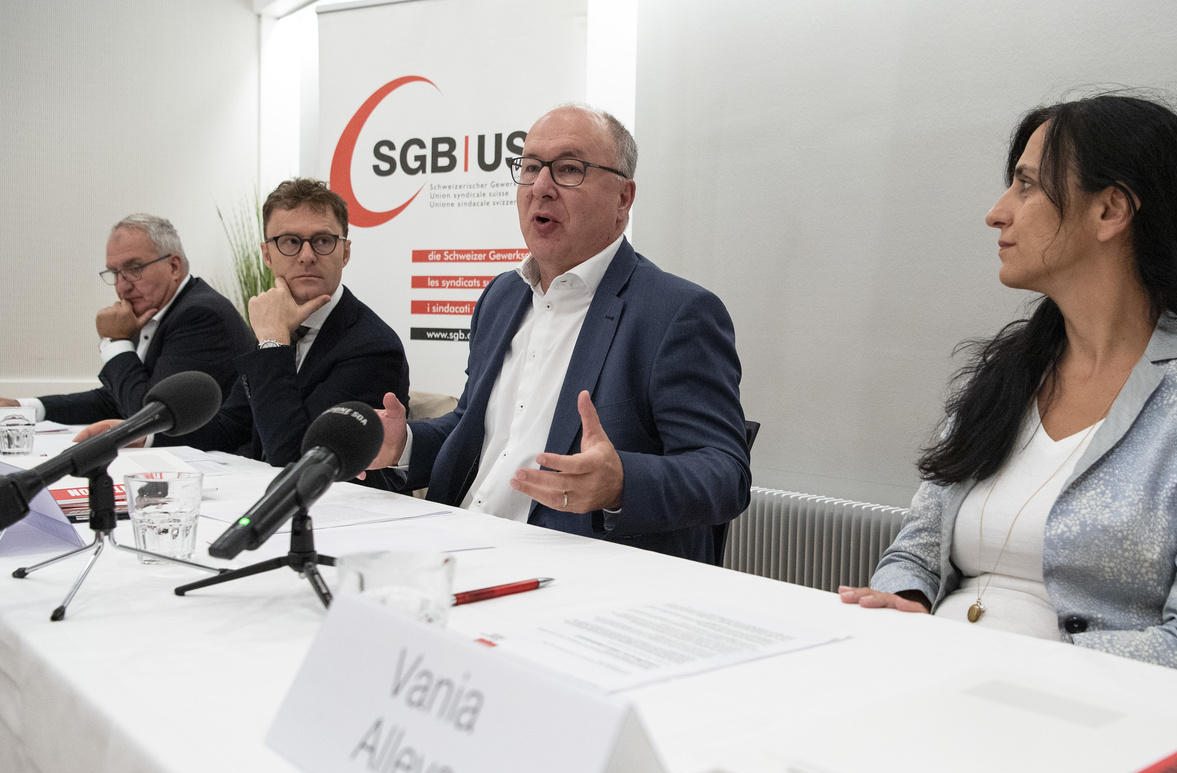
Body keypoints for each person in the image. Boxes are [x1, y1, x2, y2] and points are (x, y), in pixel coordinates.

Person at [839, 94, 1177, 682]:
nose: (997, 213)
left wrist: (1000, 662)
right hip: (932, 675)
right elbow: (914, 552)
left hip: (1086, 708)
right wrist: (903, 602)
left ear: (1110, 210)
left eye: (1027, 185)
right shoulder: (1002, 376)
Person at [366, 105, 751, 563]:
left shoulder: (676, 312)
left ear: (623, 198)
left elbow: (725, 474)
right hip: (455, 545)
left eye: (569, 169)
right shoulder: (502, 296)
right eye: (530, 168)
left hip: (566, 570)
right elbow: (475, 430)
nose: (541, 187)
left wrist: (621, 482)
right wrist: (404, 443)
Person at [78, 180, 410, 482]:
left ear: (345, 252)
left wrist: (273, 342)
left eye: (323, 241)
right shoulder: (279, 324)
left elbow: (295, 458)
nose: (307, 256)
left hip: (348, 514)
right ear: (267, 254)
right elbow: (228, 427)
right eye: (290, 242)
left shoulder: (372, 346)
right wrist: (144, 436)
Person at [1, 214, 254, 423]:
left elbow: (148, 417)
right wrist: (26, 408)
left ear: (174, 267)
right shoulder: (154, 309)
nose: (122, 287)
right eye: (114, 273)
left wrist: (117, 341)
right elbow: (115, 400)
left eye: (134, 269)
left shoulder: (200, 315)